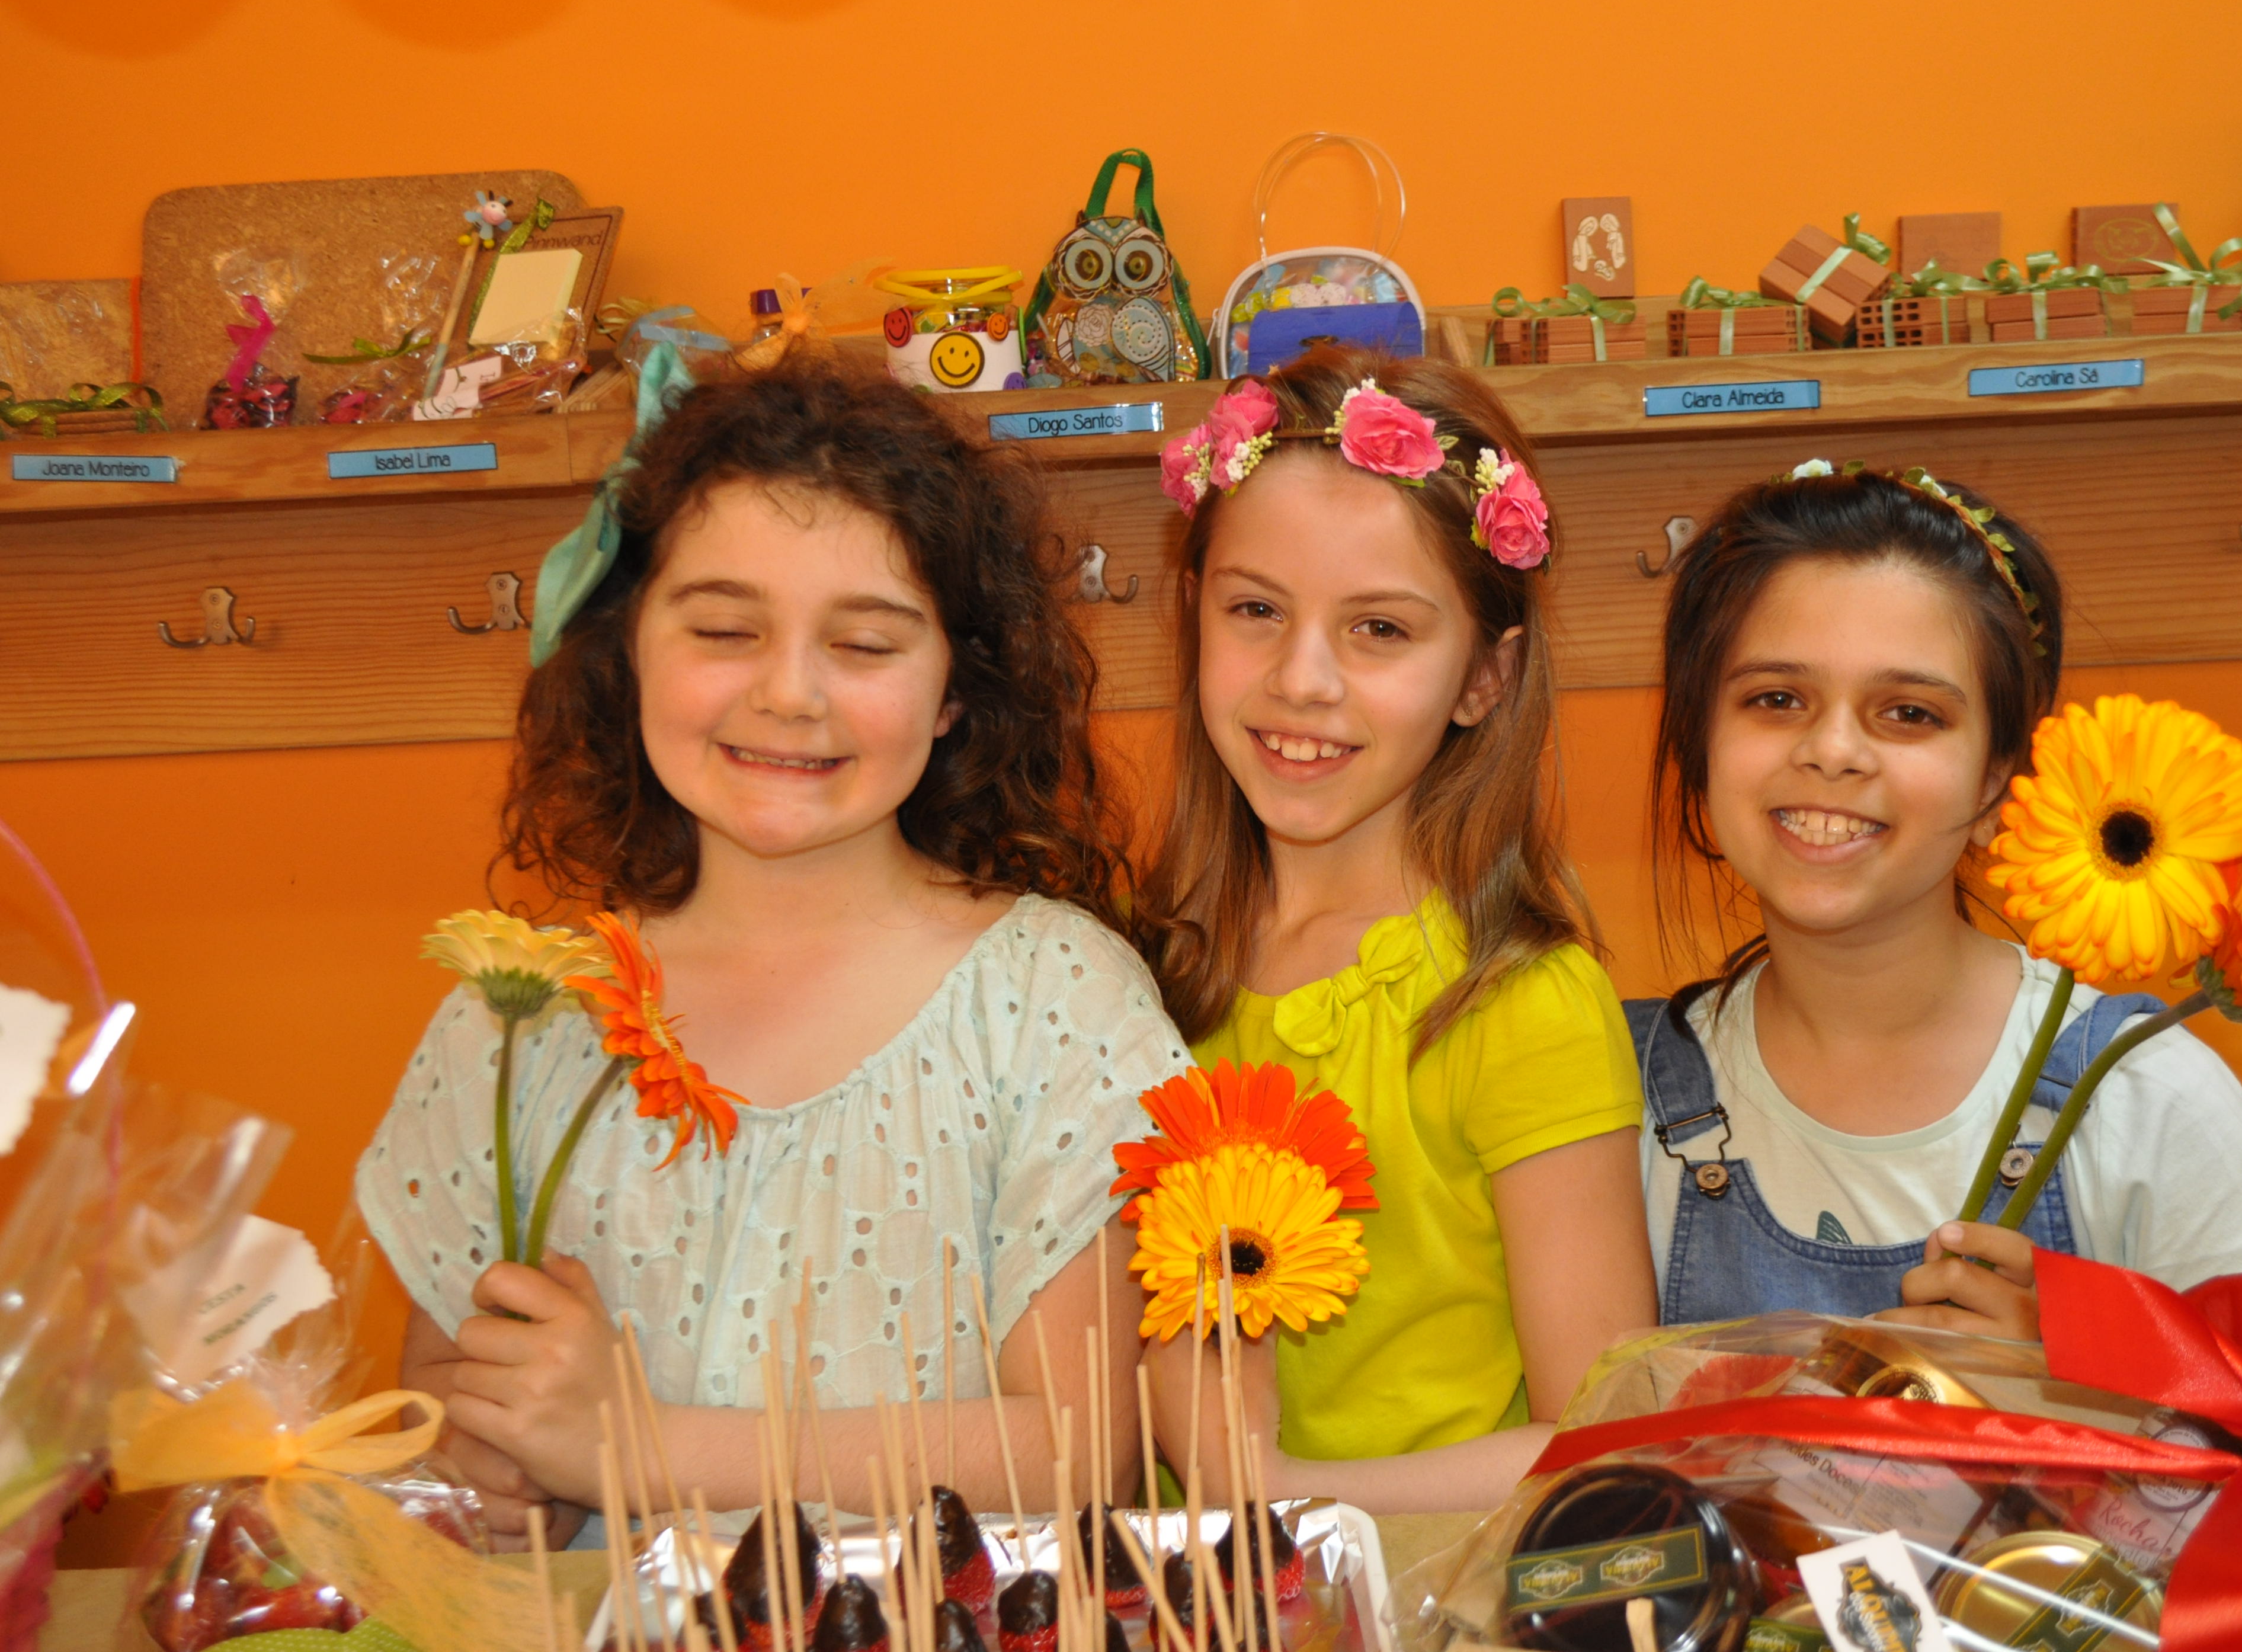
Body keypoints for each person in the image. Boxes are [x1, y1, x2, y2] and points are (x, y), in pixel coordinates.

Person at [355, 349, 1183, 1547]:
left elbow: (1075, 1451)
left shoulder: (1054, 1000)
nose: (791, 693)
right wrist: (490, 1476)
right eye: (726, 629)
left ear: (955, 692)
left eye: (866, 645)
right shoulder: (518, 1016)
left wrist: (643, 1449)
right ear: (626, 649)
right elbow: (450, 1425)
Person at [1635, 462, 2242, 1371]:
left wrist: (2072, 1369)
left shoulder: (2142, 1097)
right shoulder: (1619, 1103)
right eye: (1776, 699)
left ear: (2001, 778)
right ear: (1698, 742)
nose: (1833, 751)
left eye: (1910, 713)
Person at [1134, 348, 1656, 1514]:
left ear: (1482, 678)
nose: (1302, 678)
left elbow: (1601, 1440)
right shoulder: (1137, 974)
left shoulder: (1516, 1002)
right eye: (1255, 610)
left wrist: (1282, 1492)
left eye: (1378, 628)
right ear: (1192, 614)